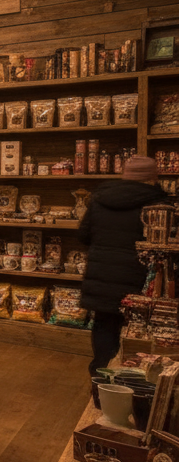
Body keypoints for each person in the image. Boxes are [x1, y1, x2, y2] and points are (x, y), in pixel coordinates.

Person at [78, 155, 166, 376]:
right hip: (139, 279)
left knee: (104, 327)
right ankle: (132, 382)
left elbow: (83, 235)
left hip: (101, 275)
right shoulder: (159, 203)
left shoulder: (100, 198)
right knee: (138, 333)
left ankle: (101, 378)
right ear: (152, 177)